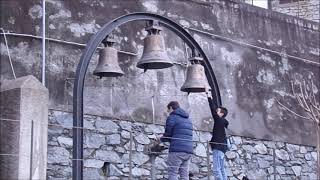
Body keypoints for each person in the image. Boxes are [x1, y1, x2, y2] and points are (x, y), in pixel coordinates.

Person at [159, 101, 193, 180]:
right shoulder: (188, 119)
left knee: (173, 173)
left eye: (168, 110)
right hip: (188, 150)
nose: (168, 113)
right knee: (184, 175)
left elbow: (168, 135)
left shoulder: (172, 117)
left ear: (171, 108)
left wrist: (160, 138)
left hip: (177, 151)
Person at [207, 93, 229, 180]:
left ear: (221, 114)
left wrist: (208, 96)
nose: (216, 111)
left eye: (218, 111)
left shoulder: (218, 120)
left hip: (218, 147)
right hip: (223, 148)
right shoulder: (224, 122)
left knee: (216, 170)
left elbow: (212, 108)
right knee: (222, 169)